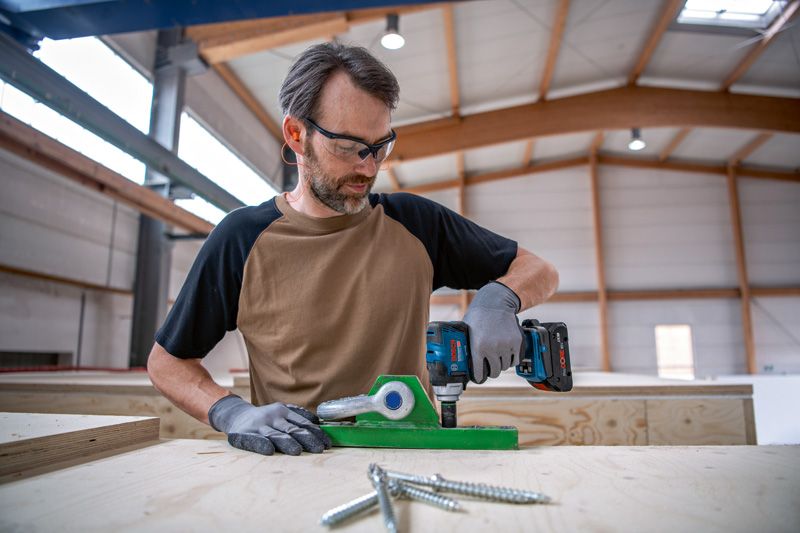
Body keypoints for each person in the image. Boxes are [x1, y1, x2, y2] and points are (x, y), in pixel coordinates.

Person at [147, 42, 559, 457]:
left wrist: (498, 299)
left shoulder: (415, 224)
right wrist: (230, 412)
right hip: (296, 464)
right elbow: (167, 363)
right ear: (296, 135)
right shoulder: (242, 239)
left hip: (414, 460)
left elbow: (538, 269)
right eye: (348, 147)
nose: (368, 166)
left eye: (381, 146)